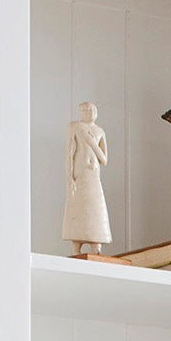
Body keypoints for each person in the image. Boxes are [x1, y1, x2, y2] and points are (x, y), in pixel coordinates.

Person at [61, 102, 111, 254]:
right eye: (83, 109)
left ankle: (96, 243)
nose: (87, 112)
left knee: (95, 205)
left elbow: (104, 159)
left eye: (90, 110)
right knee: (78, 205)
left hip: (93, 174)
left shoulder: (100, 131)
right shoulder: (75, 126)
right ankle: (76, 243)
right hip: (80, 172)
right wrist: (69, 178)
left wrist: (92, 142)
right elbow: (69, 153)